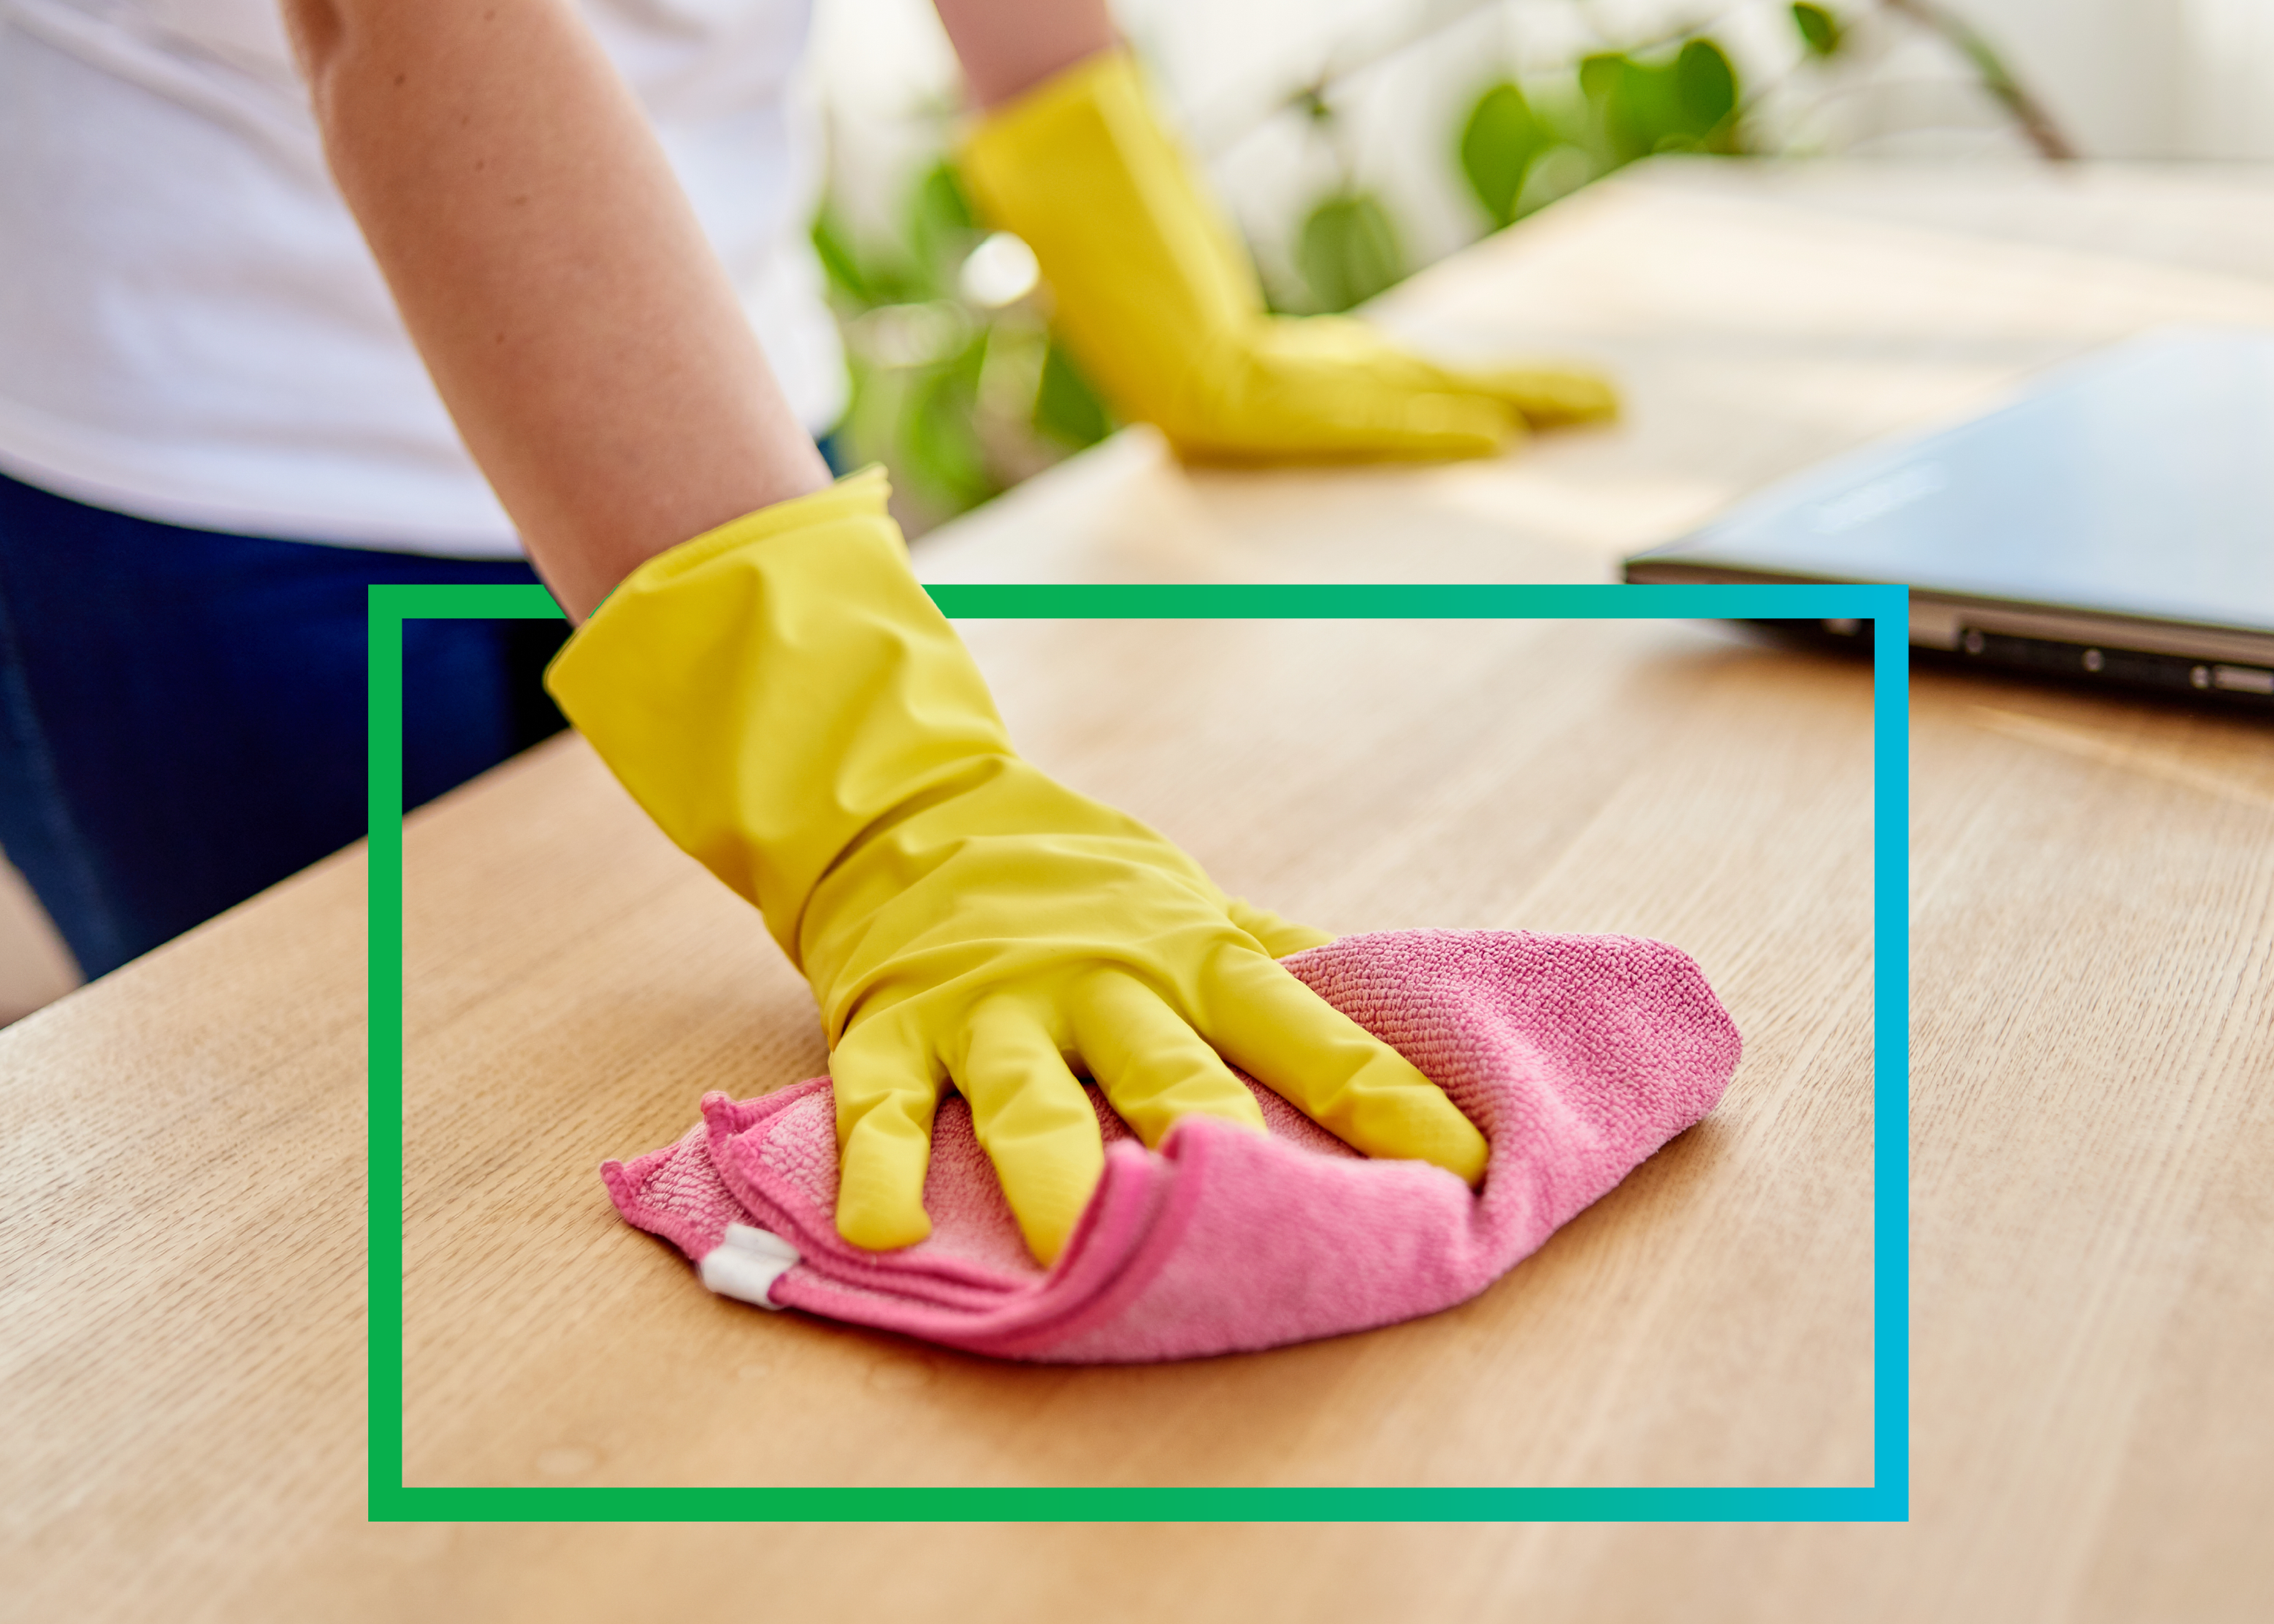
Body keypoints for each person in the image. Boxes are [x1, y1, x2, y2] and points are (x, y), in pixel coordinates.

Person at [1, 0, 1611, 1254]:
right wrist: (892, 802)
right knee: (357, 1210)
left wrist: (1148, 272)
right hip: (201, 464)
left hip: (717, 408)